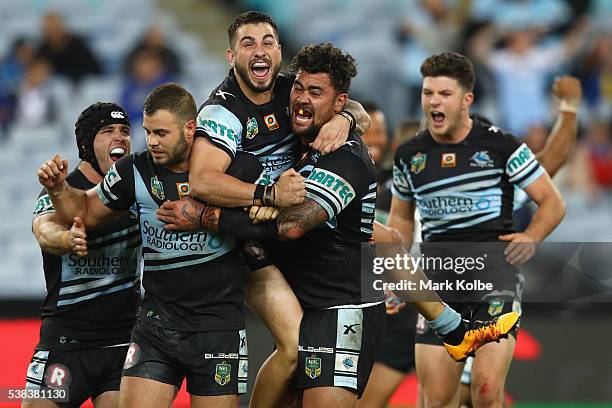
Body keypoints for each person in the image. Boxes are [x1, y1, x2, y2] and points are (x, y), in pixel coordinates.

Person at [159, 44, 522, 406]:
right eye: (299, 88)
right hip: (303, 302)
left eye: (315, 93)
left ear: (337, 102)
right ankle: (453, 327)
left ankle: (452, 327)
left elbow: (293, 226)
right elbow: (386, 232)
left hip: (343, 308)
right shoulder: (296, 133)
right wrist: (262, 199)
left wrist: (211, 217)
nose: (301, 98)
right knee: (383, 238)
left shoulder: (346, 158)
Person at [183, 11, 372, 408]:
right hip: (237, 238)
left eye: (267, 41)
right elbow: (202, 181)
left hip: (277, 231)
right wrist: (268, 196)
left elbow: (359, 110)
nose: (260, 50)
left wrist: (346, 118)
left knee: (384, 236)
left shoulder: (290, 89)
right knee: (293, 344)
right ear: (231, 56)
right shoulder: (222, 111)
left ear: (279, 51)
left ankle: (447, 322)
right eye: (248, 43)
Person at [37, 83, 261, 408]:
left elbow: (270, 227)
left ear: (190, 128)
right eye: (148, 131)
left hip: (217, 327)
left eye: (161, 133)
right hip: (156, 328)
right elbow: (82, 210)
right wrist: (59, 190)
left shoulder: (237, 169)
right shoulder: (133, 170)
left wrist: (206, 217)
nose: (152, 141)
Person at [390, 52, 566, 407]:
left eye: (444, 94)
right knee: (436, 400)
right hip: (437, 285)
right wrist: (396, 274)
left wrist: (531, 236)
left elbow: (553, 201)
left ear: (466, 99)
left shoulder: (502, 145)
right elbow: (401, 220)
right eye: (428, 93)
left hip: (493, 280)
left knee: (485, 392)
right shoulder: (409, 155)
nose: (433, 102)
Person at [26, 102, 139, 407]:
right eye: (108, 131)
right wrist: (67, 238)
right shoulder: (64, 189)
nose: (120, 138)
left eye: (125, 131)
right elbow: (43, 230)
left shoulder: (135, 190)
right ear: (88, 144)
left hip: (122, 341)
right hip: (67, 341)